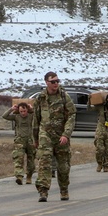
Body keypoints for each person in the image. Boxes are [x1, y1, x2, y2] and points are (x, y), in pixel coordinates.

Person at [32, 72, 76, 202]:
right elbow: (36, 120)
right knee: (44, 162)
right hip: (45, 134)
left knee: (63, 166)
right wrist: (35, 139)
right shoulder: (40, 98)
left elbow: (71, 116)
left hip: (61, 136)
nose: (56, 83)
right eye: (53, 81)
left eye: (57, 81)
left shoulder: (64, 97)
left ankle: (64, 189)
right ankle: (43, 191)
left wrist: (66, 134)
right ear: (46, 82)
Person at [3, 101, 35, 184]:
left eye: (24, 111)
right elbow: (4, 116)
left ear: (27, 110)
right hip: (19, 141)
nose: (23, 113)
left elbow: (40, 115)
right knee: (18, 159)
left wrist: (32, 109)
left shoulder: (31, 116)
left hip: (30, 141)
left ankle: (29, 176)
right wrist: (11, 109)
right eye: (21, 111)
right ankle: (19, 176)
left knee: (31, 160)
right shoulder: (16, 117)